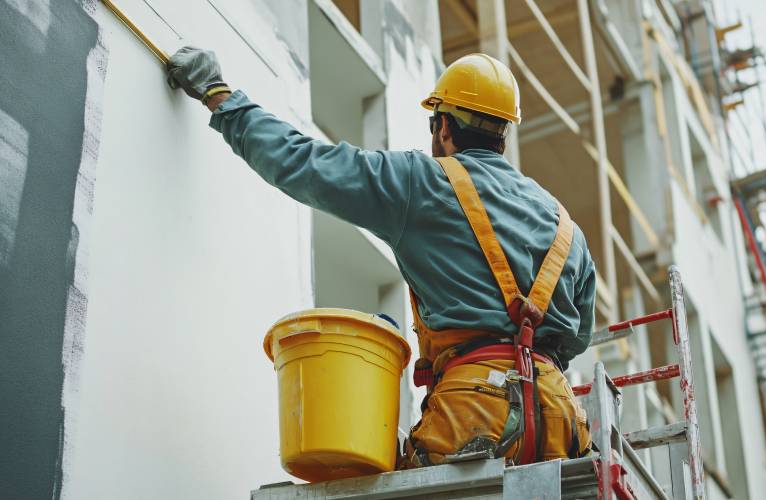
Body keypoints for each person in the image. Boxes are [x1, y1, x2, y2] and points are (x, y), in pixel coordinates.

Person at [167, 46, 595, 466]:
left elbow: (302, 163)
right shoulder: (566, 228)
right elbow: (575, 338)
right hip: (560, 422)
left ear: (444, 127)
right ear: (504, 133)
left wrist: (218, 94)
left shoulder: (420, 183)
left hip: (474, 417)